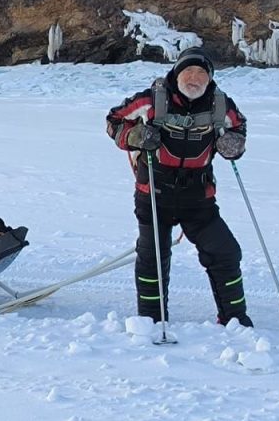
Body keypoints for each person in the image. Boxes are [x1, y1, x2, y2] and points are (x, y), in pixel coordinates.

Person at [105, 46, 253, 327]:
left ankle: (235, 320)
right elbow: (113, 121)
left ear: (209, 78)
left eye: (201, 73)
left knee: (225, 252)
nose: (194, 78)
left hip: (199, 199)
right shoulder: (151, 99)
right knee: (153, 258)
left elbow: (238, 127)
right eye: (188, 71)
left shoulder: (221, 105)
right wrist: (134, 134)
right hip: (154, 196)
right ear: (177, 73)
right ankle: (151, 322)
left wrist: (234, 145)